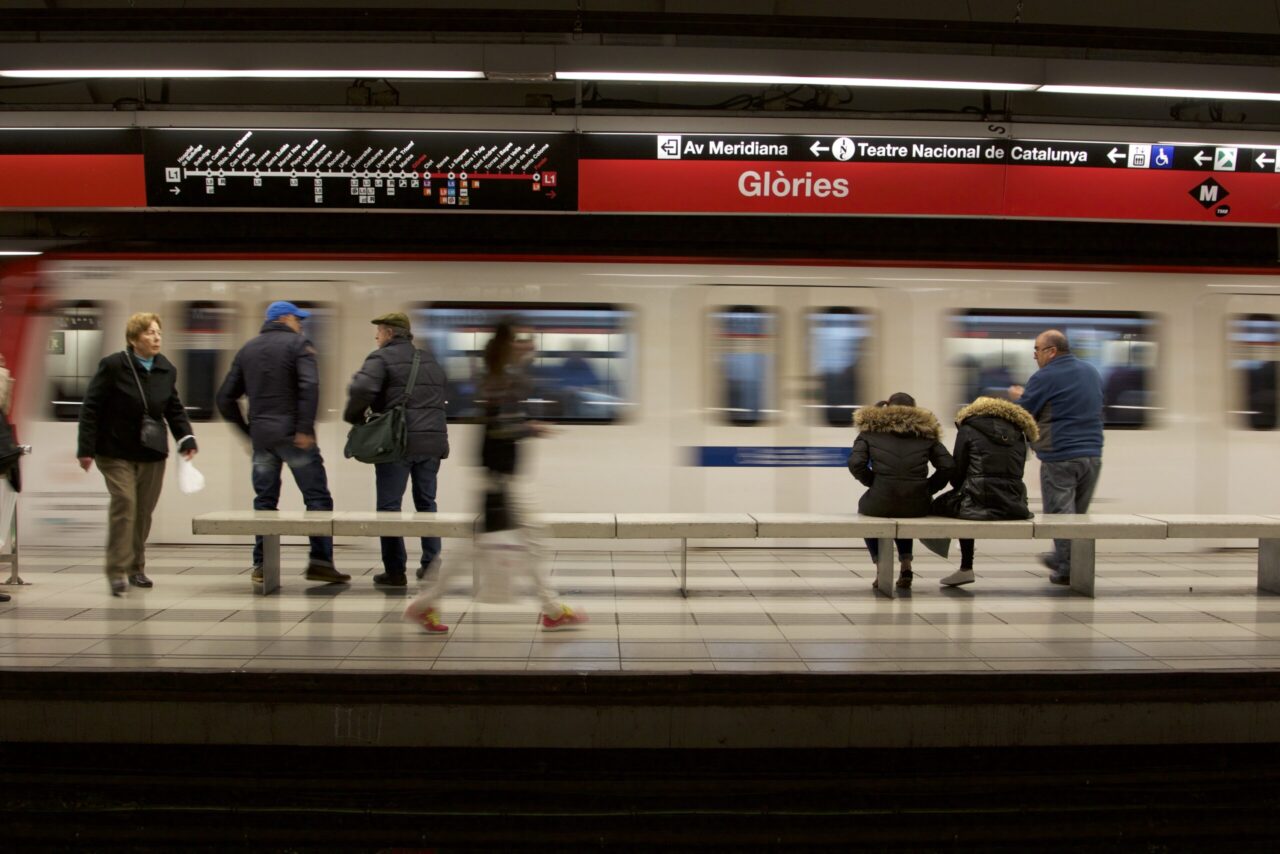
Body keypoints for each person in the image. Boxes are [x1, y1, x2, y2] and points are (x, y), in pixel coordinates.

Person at [404, 319, 587, 633]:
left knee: (477, 545)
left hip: (498, 474)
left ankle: (426, 603)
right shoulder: (500, 378)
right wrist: (531, 428)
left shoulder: (498, 375)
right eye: (521, 340)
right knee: (532, 540)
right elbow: (502, 425)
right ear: (507, 345)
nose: (527, 345)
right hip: (503, 476)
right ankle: (552, 608)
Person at [216, 301, 348, 587]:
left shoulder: (247, 349)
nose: (301, 324)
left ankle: (262, 565)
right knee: (317, 498)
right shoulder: (299, 345)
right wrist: (303, 428)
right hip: (294, 436)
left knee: (265, 501)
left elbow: (224, 398)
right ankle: (321, 563)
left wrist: (246, 433)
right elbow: (310, 386)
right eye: (298, 319)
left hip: (263, 438)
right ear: (286, 318)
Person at [76, 313, 197, 596]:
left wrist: (186, 437)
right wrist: (85, 449)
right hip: (115, 450)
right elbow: (90, 407)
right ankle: (116, 571)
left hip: (152, 451)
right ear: (133, 339)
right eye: (149, 333)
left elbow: (173, 408)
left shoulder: (166, 369)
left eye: (158, 332)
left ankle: (136, 568)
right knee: (125, 505)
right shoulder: (114, 366)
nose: (156, 337)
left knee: (142, 512)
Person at [343, 311, 450, 587]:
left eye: (378, 332)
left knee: (389, 507)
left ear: (389, 333)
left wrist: (355, 418)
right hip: (431, 443)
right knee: (427, 504)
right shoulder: (429, 359)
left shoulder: (380, 358)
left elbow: (361, 389)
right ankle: (431, 565)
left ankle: (394, 571)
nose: (376, 337)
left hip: (397, 443)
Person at [1009, 329, 1104, 585]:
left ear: (1051, 351)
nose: (1034, 356)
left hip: (1060, 455)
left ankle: (1068, 570)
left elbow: (1023, 413)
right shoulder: (1091, 371)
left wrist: (1018, 397)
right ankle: (1063, 557)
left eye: (1037, 350)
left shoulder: (1045, 376)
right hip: (1093, 455)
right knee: (1078, 516)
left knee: (1060, 516)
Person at [848, 392, 954, 590]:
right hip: (918, 504)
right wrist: (928, 488)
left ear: (888, 407)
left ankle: (880, 569)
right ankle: (906, 565)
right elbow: (948, 465)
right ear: (915, 409)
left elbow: (855, 463)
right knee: (904, 511)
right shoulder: (926, 433)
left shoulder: (871, 430)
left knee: (870, 515)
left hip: (879, 501)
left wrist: (873, 483)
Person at [930, 396, 1038, 587]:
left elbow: (957, 475)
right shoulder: (1019, 432)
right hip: (1014, 504)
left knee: (940, 505)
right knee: (965, 498)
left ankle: (965, 566)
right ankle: (964, 565)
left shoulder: (968, 429)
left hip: (977, 502)